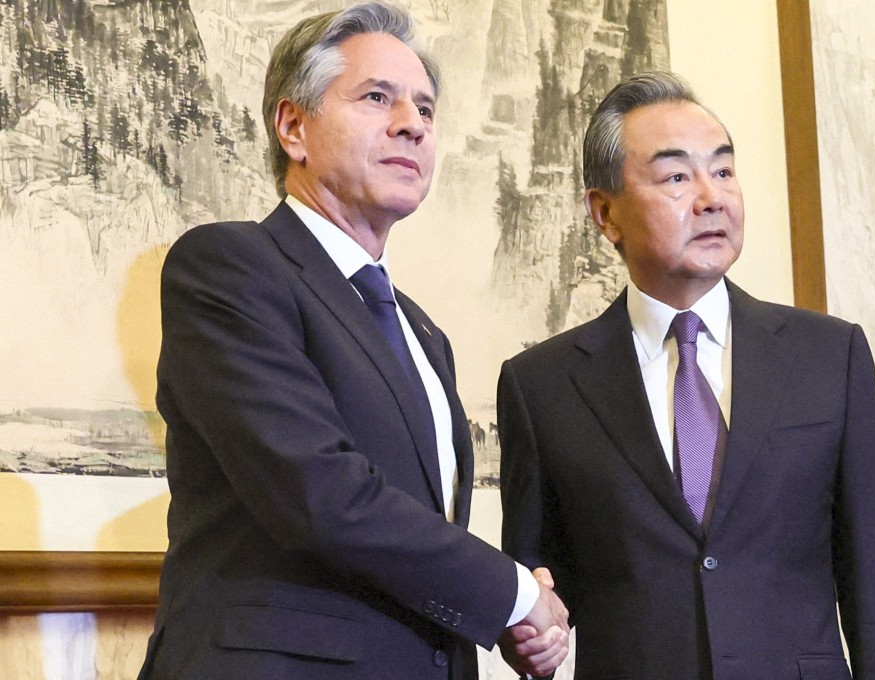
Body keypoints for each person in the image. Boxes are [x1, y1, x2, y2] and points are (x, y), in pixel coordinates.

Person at [137, 3, 568, 678]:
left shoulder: (423, 333)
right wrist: (513, 595)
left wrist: (499, 616)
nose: (412, 124)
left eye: (425, 109)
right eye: (377, 98)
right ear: (293, 127)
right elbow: (322, 495)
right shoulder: (229, 266)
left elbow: (413, 541)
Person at [497, 71, 875, 679]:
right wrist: (529, 629)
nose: (711, 198)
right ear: (605, 213)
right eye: (676, 177)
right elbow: (536, 585)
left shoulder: (829, 355)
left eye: (722, 171)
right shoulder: (542, 385)